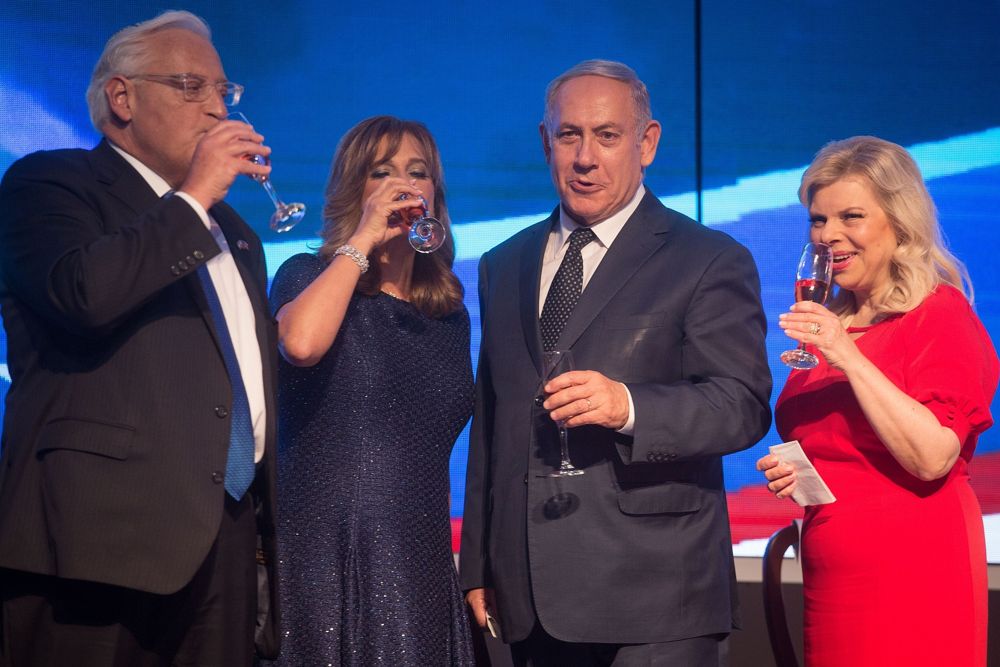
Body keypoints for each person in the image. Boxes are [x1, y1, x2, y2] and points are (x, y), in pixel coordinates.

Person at [459, 59, 772, 666]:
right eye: (569, 135)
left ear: (646, 142)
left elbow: (741, 404)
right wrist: (478, 560)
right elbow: (490, 423)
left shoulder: (707, 259)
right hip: (527, 597)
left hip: (654, 598)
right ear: (546, 142)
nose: (585, 157)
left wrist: (627, 406)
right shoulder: (505, 263)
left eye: (607, 135)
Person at [0, 11, 280, 666]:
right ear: (122, 98)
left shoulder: (237, 233)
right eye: (191, 87)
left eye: (225, 92)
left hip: (226, 543)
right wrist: (194, 195)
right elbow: (84, 294)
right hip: (98, 544)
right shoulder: (50, 184)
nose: (217, 108)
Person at [757, 136, 999, 667]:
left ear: (899, 221)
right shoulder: (830, 324)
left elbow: (933, 456)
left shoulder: (939, 315)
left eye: (851, 217)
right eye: (818, 220)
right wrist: (798, 472)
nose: (829, 235)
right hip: (832, 573)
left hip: (915, 569)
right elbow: (844, 447)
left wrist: (847, 355)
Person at [268, 115, 475, 665]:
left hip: (422, 562)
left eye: (418, 172)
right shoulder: (304, 274)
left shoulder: (449, 315)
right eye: (382, 172)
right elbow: (303, 344)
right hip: (326, 559)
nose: (404, 186)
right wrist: (362, 239)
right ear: (354, 189)